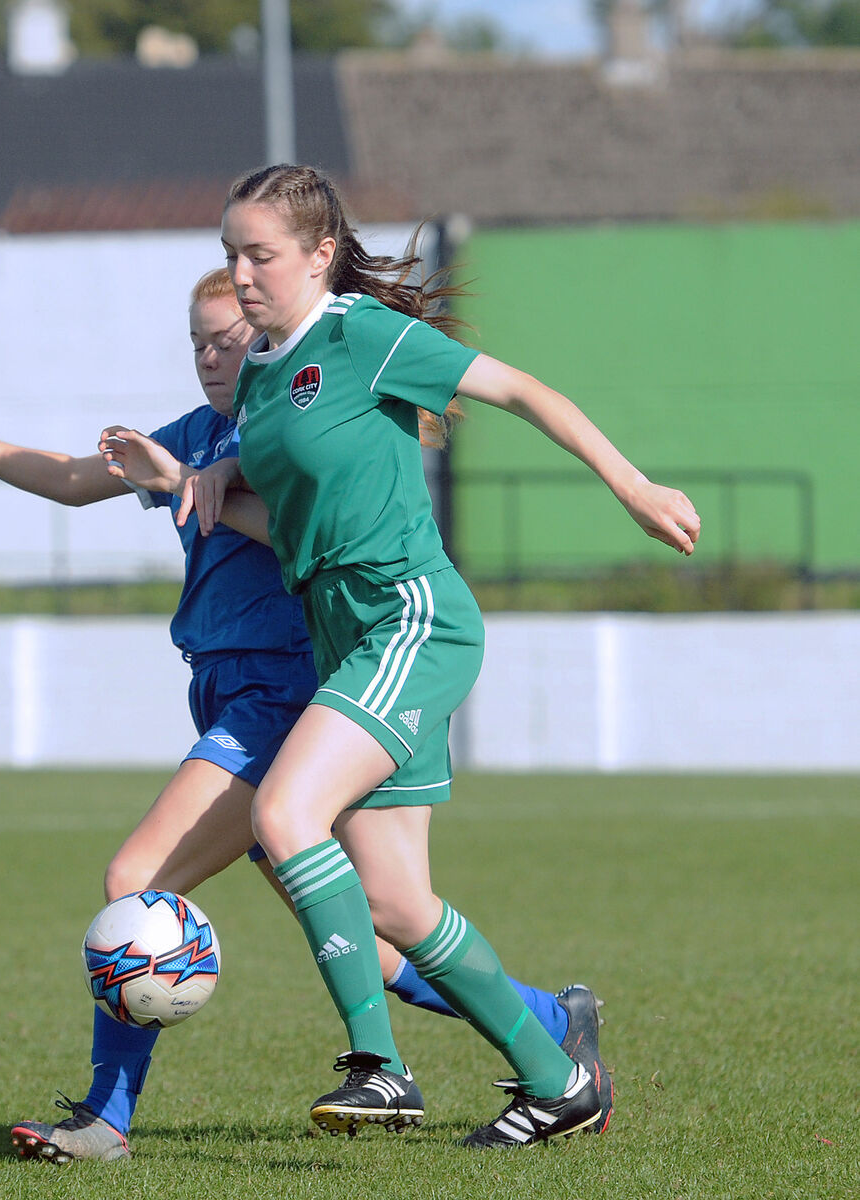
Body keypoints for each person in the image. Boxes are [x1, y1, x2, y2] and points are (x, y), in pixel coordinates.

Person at [0, 267, 607, 1162]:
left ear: (272, 327)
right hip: (230, 688)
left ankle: (108, 1118)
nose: (208, 356)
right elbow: (78, 479)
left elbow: (304, 531)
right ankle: (551, 1022)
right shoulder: (201, 433)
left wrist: (190, 484)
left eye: (225, 339)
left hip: (286, 690)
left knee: (137, 880)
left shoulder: (291, 431)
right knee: (377, 924)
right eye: (195, 341)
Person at [105, 165, 698, 1149]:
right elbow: (273, 512)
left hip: (410, 620)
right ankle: (560, 1075)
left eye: (258, 254)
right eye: (228, 254)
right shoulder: (261, 375)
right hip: (348, 635)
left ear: (317, 253)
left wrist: (628, 485)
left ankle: (379, 1067)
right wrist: (197, 476)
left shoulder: (361, 335)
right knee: (393, 904)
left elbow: (517, 388)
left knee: (284, 813)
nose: (240, 273)